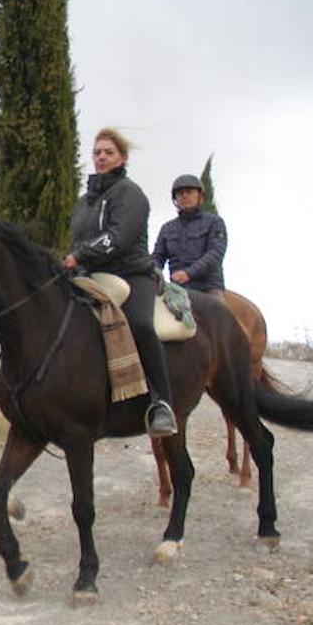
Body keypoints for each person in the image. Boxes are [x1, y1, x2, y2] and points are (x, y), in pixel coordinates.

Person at [62, 129, 177, 438]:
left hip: (132, 273)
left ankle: (162, 403)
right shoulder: (84, 202)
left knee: (140, 324)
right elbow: (79, 239)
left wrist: (79, 255)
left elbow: (119, 237)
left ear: (122, 158)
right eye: (97, 152)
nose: (101, 156)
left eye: (108, 152)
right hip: (92, 275)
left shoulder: (131, 193)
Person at [152, 174, 227, 297]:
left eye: (189, 192)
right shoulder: (167, 228)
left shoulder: (214, 222)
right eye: (180, 193)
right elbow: (157, 257)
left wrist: (188, 273)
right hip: (177, 289)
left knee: (218, 312)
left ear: (200, 196)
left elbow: (215, 254)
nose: (185, 195)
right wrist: (153, 272)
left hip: (208, 288)